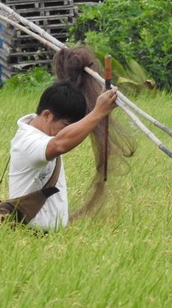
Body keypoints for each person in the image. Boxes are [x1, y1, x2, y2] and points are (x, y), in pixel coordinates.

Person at [8, 80, 118, 231]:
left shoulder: (41, 133)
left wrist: (100, 107)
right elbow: (60, 145)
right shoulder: (27, 142)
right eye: (66, 126)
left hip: (49, 239)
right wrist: (98, 112)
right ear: (47, 115)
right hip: (29, 235)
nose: (67, 131)